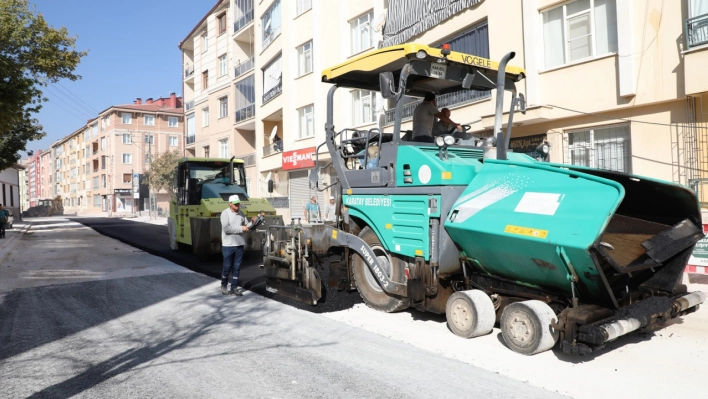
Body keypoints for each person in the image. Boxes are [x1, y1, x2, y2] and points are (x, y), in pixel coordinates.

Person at [220, 195, 257, 296]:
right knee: (227, 267)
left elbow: (247, 226)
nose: (237, 205)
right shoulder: (225, 213)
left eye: (238, 203)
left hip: (239, 244)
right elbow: (227, 229)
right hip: (228, 245)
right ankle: (224, 285)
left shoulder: (241, 214)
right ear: (230, 203)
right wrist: (242, 228)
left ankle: (234, 287)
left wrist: (252, 223)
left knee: (237, 267)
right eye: (235, 203)